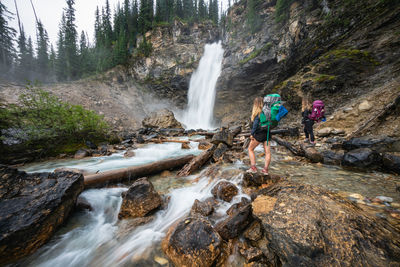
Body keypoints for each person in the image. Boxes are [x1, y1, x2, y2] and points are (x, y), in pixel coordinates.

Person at [247, 97, 271, 175]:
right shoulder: (267, 112)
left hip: (259, 134)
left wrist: (252, 134)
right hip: (267, 134)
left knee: (250, 149)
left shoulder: (258, 113)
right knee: (267, 152)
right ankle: (265, 170)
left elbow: (255, 125)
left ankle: (253, 167)